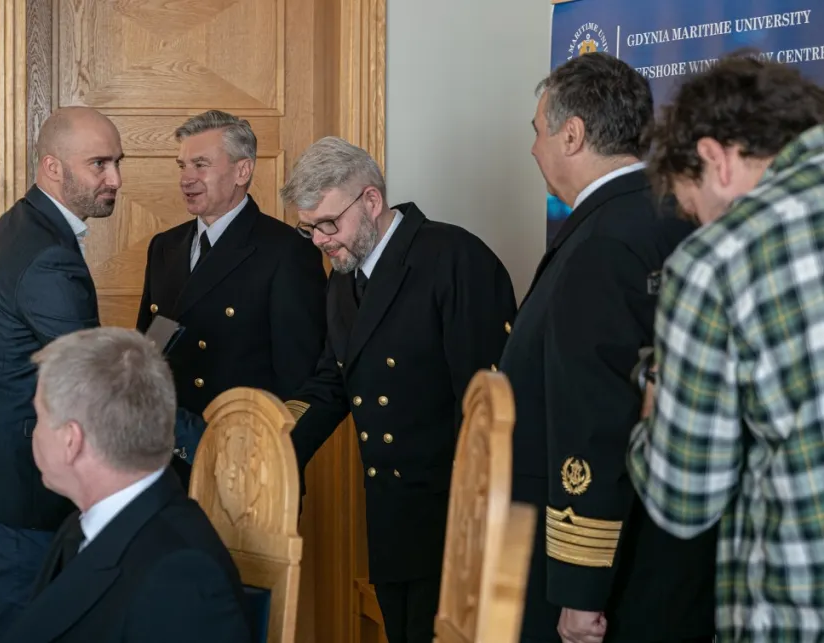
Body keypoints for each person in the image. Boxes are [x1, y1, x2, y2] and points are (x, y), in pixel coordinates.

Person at [496, 52, 716, 643]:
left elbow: (594, 421)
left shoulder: (602, 241)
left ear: (572, 134)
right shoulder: (674, 215)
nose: (534, 149)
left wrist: (579, 588)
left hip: (614, 575)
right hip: (671, 553)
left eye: (538, 131)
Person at [280, 136, 517, 643]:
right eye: (309, 228)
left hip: (452, 517)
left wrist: (479, 528)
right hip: (390, 514)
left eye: (328, 223)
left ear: (371, 200)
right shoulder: (344, 276)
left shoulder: (453, 258)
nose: (319, 240)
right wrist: (275, 441)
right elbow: (332, 382)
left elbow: (485, 408)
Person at [628, 53, 824, 643]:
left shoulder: (718, 261)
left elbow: (685, 500)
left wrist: (656, 394)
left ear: (716, 158)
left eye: (696, 210)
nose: (700, 226)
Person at [0, 106, 123, 637]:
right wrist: (196, 439)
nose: (115, 179)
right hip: (11, 496)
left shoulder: (24, 225)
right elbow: (93, 382)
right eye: (99, 164)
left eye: (117, 162)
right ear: (52, 167)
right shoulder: (46, 254)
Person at [0, 327, 252, 643]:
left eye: (40, 418)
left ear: (71, 440)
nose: (35, 433)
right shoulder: (81, 526)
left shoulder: (181, 579)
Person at [135, 110, 327, 487]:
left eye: (201, 164)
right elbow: (151, 350)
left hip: (244, 466)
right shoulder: (164, 247)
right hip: (164, 461)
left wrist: (270, 464)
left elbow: (299, 379)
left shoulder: (286, 251)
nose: (186, 178)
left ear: (242, 171)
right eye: (182, 165)